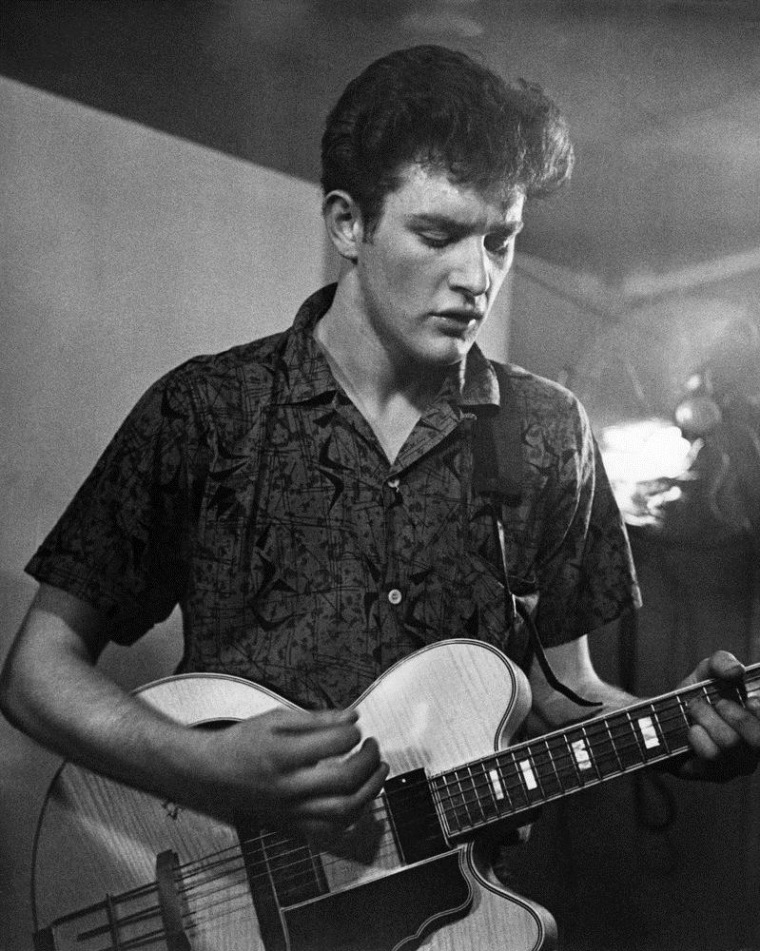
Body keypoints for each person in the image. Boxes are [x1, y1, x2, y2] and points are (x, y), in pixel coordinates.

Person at [2, 43, 759, 863]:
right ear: (348, 223)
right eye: (438, 233)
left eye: (501, 241)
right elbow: (37, 671)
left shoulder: (549, 430)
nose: (477, 277)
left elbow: (555, 691)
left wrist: (669, 724)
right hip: (228, 898)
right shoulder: (209, 410)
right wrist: (208, 766)